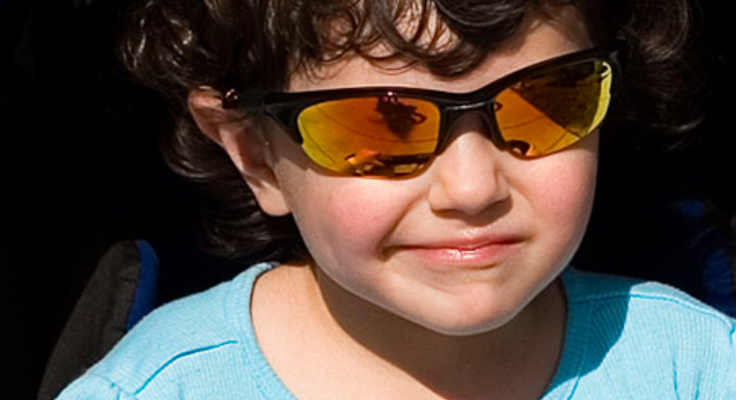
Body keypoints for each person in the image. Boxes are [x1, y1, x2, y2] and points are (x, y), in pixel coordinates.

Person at [56, 0, 736, 398]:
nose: (473, 188)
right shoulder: (153, 391)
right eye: (381, 124)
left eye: (546, 103)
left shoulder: (697, 367)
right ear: (256, 153)